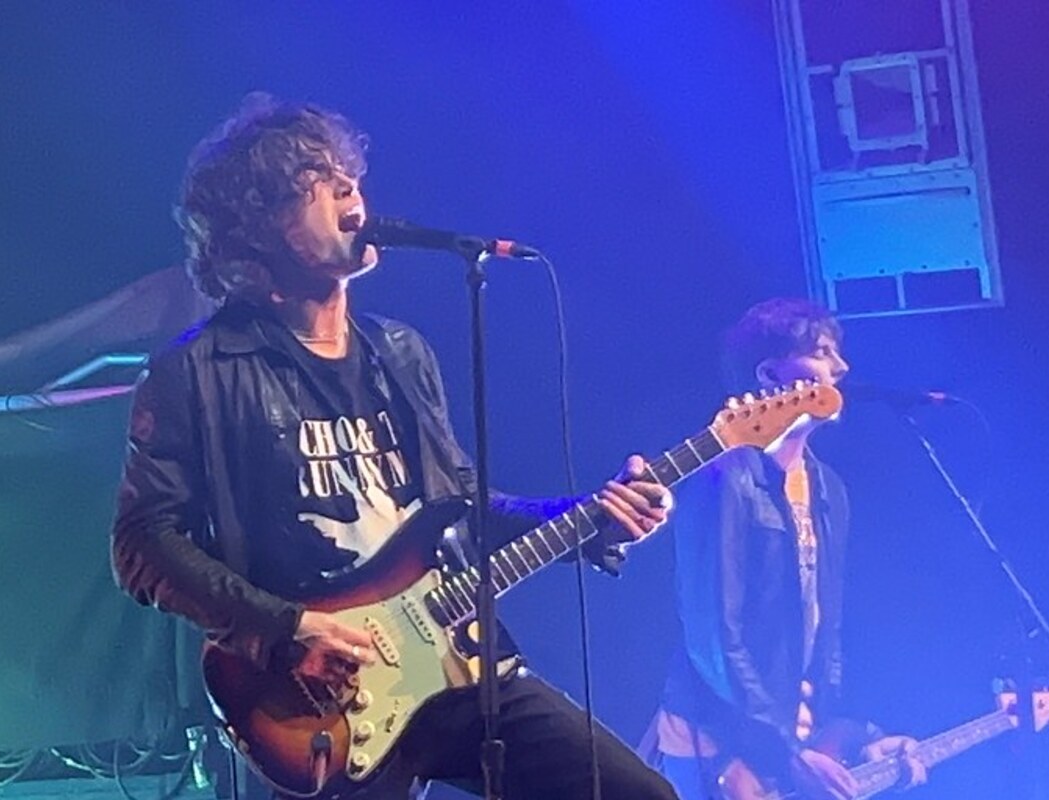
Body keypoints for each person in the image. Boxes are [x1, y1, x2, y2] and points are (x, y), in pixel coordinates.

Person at [111, 93, 679, 800]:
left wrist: (588, 516)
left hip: (454, 665)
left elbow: (460, 510)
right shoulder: (198, 371)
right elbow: (142, 544)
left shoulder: (400, 353)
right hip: (317, 698)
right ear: (257, 228)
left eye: (348, 177)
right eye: (315, 185)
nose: (351, 193)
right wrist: (285, 629)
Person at [645, 298, 925, 800]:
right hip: (717, 741)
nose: (841, 368)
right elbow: (714, 640)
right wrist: (782, 755)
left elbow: (826, 630)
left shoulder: (828, 488)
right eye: (821, 352)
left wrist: (849, 737)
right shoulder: (725, 478)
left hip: (784, 736)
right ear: (772, 374)